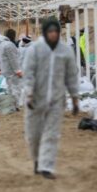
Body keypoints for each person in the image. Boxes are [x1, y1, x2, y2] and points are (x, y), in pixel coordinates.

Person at [23, 17, 80, 180]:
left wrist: (75, 98)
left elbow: (71, 76)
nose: (53, 34)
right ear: (45, 32)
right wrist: (29, 93)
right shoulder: (35, 49)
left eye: (56, 31)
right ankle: (36, 160)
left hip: (56, 99)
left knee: (52, 134)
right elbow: (29, 73)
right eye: (50, 31)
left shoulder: (65, 51)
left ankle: (46, 166)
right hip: (35, 98)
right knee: (34, 134)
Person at [0, 29, 23, 106]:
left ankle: (10, 103)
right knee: (16, 88)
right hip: (11, 70)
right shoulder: (9, 45)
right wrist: (18, 70)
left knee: (9, 87)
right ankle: (16, 104)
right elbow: (13, 59)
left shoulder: (1, 44)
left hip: (5, 69)